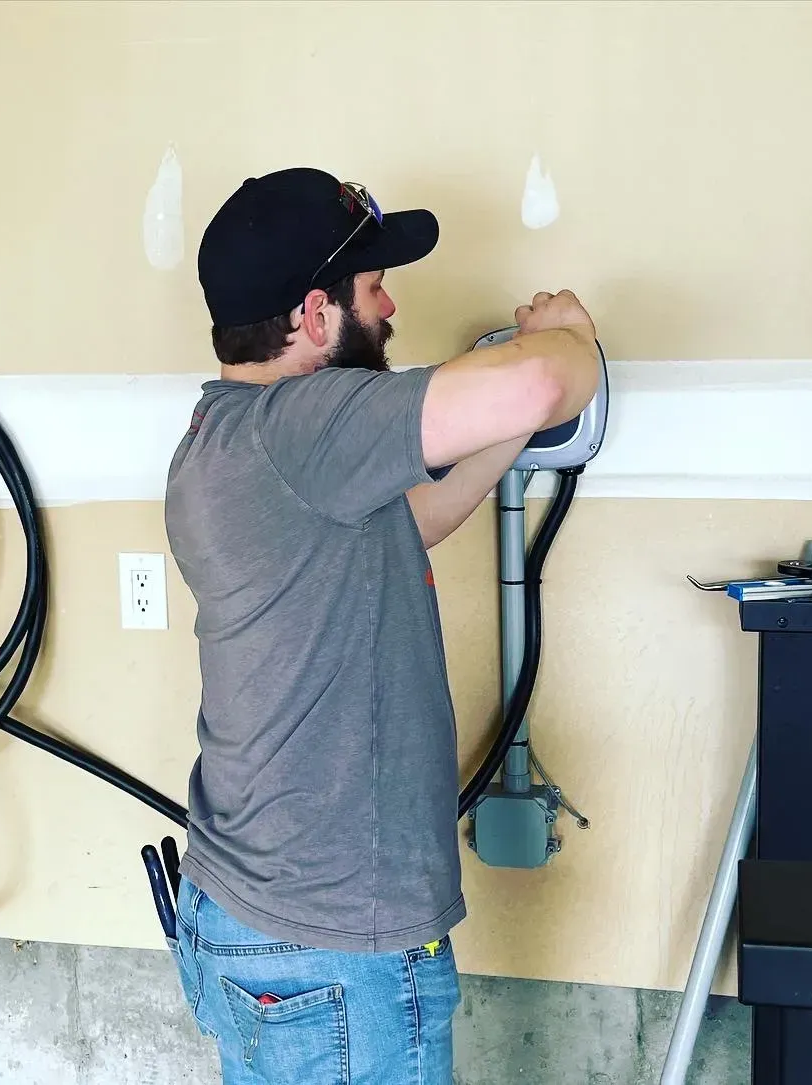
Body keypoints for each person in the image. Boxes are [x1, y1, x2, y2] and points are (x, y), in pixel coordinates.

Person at [163, 166, 602, 1084]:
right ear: (315, 317)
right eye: (373, 288)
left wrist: (514, 431)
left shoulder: (227, 436)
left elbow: (420, 516)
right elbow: (535, 385)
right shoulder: (306, 424)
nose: (392, 303)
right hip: (332, 948)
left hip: (261, 922)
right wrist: (572, 343)